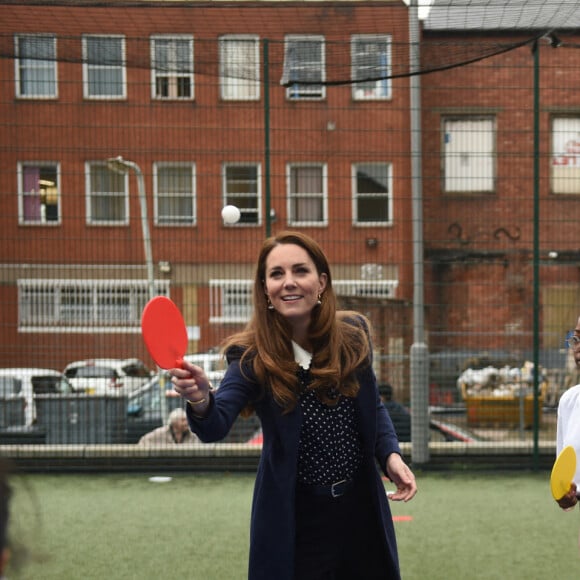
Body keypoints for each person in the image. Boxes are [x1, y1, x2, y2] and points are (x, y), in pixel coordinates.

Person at [170, 230, 417, 580]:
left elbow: (372, 405)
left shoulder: (354, 335)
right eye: (276, 274)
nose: (289, 282)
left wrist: (391, 455)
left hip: (360, 513)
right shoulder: (250, 356)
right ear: (265, 290)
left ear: (322, 282)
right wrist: (199, 398)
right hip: (296, 520)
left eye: (300, 271)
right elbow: (214, 423)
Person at [556, 315, 580, 510]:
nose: (578, 347)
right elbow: (564, 481)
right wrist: (568, 494)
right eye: (577, 339)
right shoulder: (568, 402)